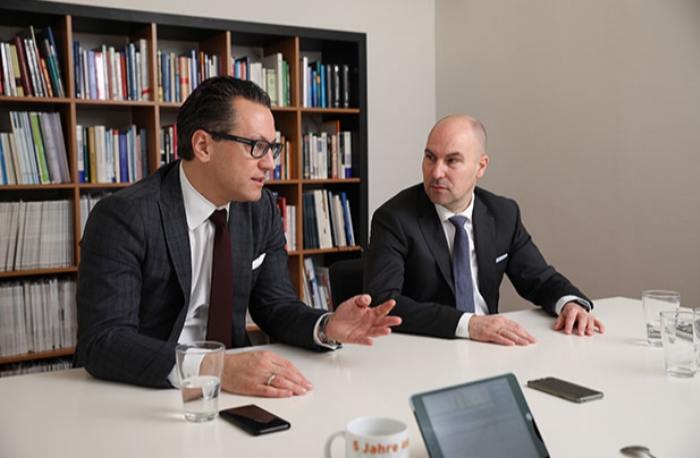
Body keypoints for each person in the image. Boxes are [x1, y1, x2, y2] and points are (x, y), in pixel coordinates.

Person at [75, 76, 401, 397]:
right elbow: (103, 340)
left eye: (272, 148)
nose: (271, 163)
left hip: (231, 387)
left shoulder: (261, 210)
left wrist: (325, 326)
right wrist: (212, 367)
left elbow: (275, 305)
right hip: (143, 388)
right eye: (256, 146)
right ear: (203, 145)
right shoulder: (124, 217)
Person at [365, 114, 604, 346]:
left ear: (481, 166)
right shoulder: (394, 219)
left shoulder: (503, 214)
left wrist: (571, 304)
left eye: (452, 161)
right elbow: (384, 302)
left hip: (490, 348)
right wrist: (469, 325)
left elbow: (540, 279)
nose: (436, 172)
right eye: (430, 157)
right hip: (426, 350)